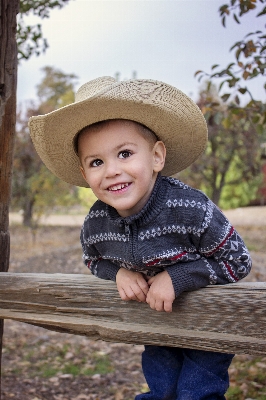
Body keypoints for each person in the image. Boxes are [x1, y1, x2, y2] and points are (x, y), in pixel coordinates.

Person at [29, 76, 252, 400]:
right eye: (96, 162)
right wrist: (118, 273)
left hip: (207, 322)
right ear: (84, 173)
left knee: (195, 393)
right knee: (161, 392)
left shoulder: (190, 208)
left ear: (157, 157)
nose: (111, 171)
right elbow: (94, 259)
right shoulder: (96, 223)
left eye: (125, 154)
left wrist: (178, 276)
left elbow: (239, 260)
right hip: (156, 322)